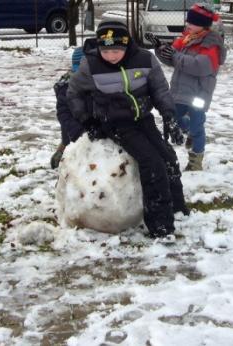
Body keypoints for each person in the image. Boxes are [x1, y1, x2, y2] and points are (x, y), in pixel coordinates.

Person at [67, 19, 187, 238]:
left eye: (116, 50)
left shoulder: (145, 59)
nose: (111, 56)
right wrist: (87, 120)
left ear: (126, 45)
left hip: (143, 118)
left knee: (168, 157)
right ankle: (160, 225)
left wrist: (169, 116)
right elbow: (73, 93)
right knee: (152, 162)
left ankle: (178, 208)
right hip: (115, 122)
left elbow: (160, 89)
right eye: (106, 50)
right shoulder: (90, 65)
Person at [150, 3, 227, 171]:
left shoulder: (211, 43)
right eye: (188, 22)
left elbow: (200, 66)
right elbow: (171, 57)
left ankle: (195, 161)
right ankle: (189, 133)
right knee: (174, 119)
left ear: (203, 24)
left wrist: (175, 56)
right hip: (180, 91)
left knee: (196, 127)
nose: (188, 25)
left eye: (192, 23)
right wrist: (160, 48)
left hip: (199, 93)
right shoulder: (187, 38)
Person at [50, 47, 86, 169]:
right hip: (74, 130)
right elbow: (64, 114)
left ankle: (63, 148)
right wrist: (77, 133)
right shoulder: (67, 86)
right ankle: (62, 152)